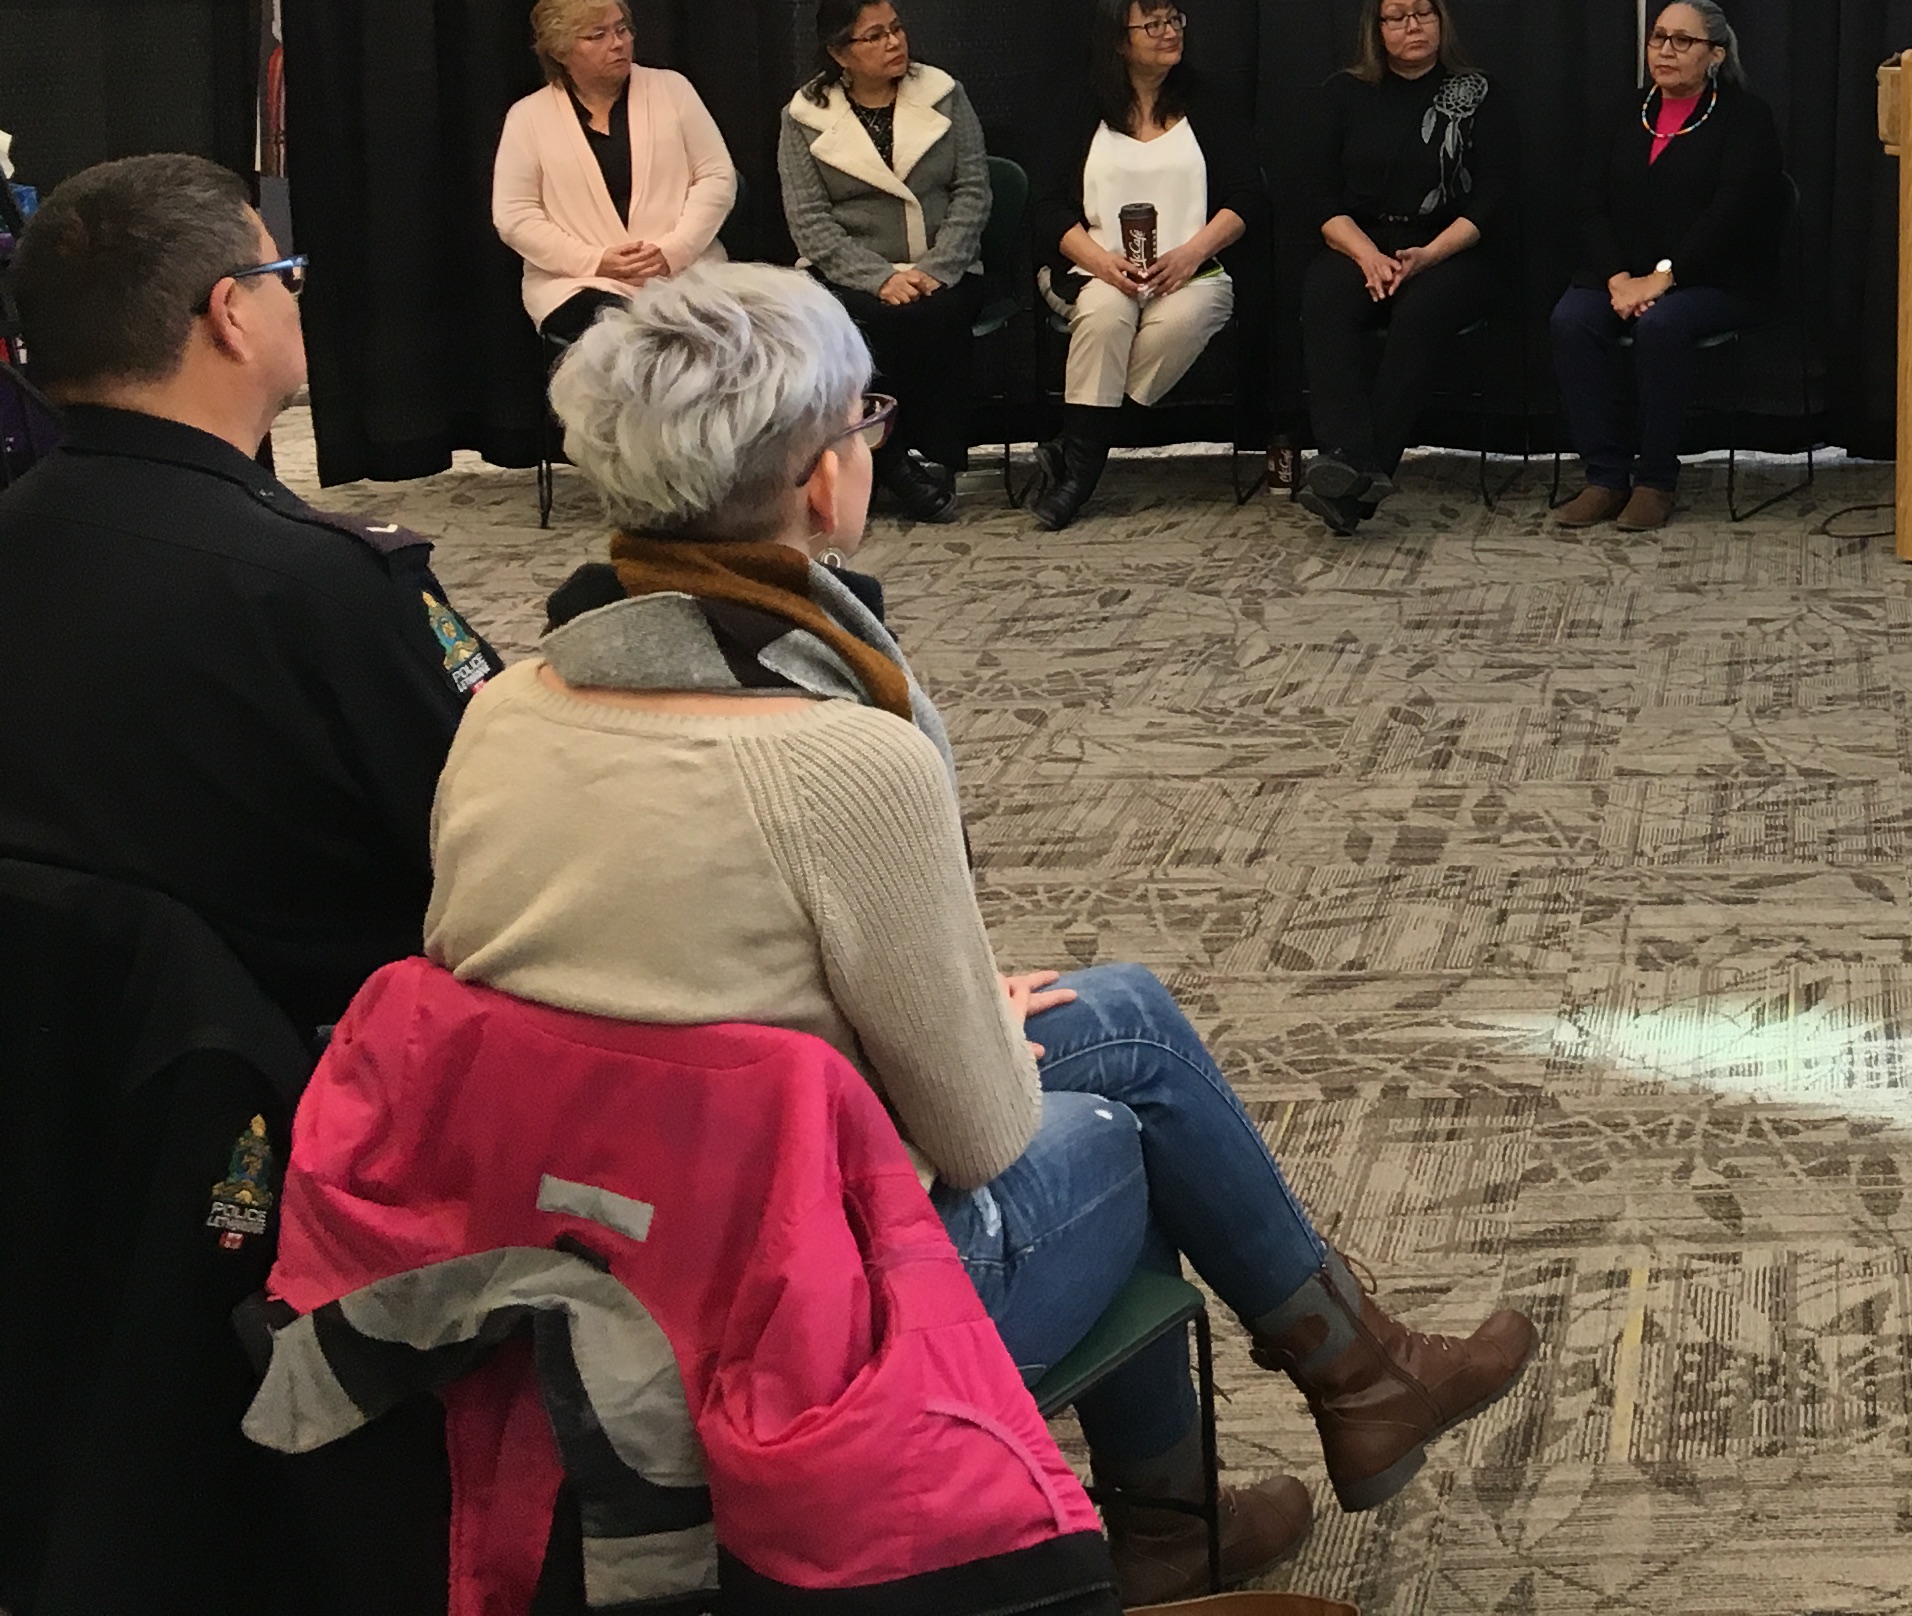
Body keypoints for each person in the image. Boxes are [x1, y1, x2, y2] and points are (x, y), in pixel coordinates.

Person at [428, 263, 1537, 1604]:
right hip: (782, 1323)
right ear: (821, 479)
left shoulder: (505, 709)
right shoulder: (841, 757)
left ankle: (1335, 1398)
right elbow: (983, 1138)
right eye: (867, 419)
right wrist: (979, 1036)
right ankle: (1256, 1455)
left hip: (573, 1245)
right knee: (1114, 1133)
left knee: (1116, 1012)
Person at [0, 152, 496, 1034]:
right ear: (230, 314)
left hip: (62, 1053)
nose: (295, 296)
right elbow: (495, 836)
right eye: (284, 273)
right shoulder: (327, 587)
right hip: (325, 1062)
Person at [1294, 0, 1517, 537]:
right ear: (1376, 29)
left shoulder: (1478, 93)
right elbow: (1317, 194)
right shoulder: (1343, 93)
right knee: (1325, 295)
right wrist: (1367, 255)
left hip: (1452, 248)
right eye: (1396, 18)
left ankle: (1359, 471)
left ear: (1441, 19)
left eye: (1423, 13)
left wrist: (1429, 255)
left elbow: (1494, 197)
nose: (1413, 26)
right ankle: (1345, 457)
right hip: (1362, 242)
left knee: (1420, 311)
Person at [1035, 0, 1264, 532]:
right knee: (1104, 317)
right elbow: (1046, 207)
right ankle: (1080, 479)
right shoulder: (1079, 104)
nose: (1169, 32)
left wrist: (1192, 253)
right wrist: (1100, 262)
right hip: (1098, 268)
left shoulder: (1209, 100)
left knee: (1183, 322)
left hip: (1192, 270)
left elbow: (1248, 197)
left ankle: (1077, 451)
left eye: (1174, 20)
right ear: (1119, 40)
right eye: (1153, 24)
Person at [1550, 0, 1786, 531]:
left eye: (1683, 40)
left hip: (1717, 277)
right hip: (1624, 276)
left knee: (1661, 325)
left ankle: (1655, 481)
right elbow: (1589, 203)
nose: (1666, 50)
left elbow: (1733, 214)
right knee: (1571, 319)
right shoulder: (1622, 111)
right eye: (1659, 37)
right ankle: (1605, 476)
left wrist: (1660, 280)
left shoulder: (1746, 119)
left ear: (1716, 54)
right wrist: (1618, 280)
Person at [775, 0, 991, 524]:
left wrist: (938, 267)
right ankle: (892, 463)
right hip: (850, 272)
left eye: (896, 29)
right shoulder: (803, 116)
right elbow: (809, 221)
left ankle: (931, 458)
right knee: (858, 322)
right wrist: (879, 278)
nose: (894, 42)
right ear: (839, 53)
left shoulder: (944, 93)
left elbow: (973, 190)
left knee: (935, 315)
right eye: (874, 36)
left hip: (941, 264)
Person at [488, 0, 737, 346]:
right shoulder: (527, 118)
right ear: (560, 50)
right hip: (577, 283)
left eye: (622, 29)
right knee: (626, 341)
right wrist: (594, 261)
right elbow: (515, 216)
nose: (618, 43)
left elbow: (716, 176)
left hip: (686, 272)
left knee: (688, 333)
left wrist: (673, 250)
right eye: (597, 36)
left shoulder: (673, 89)